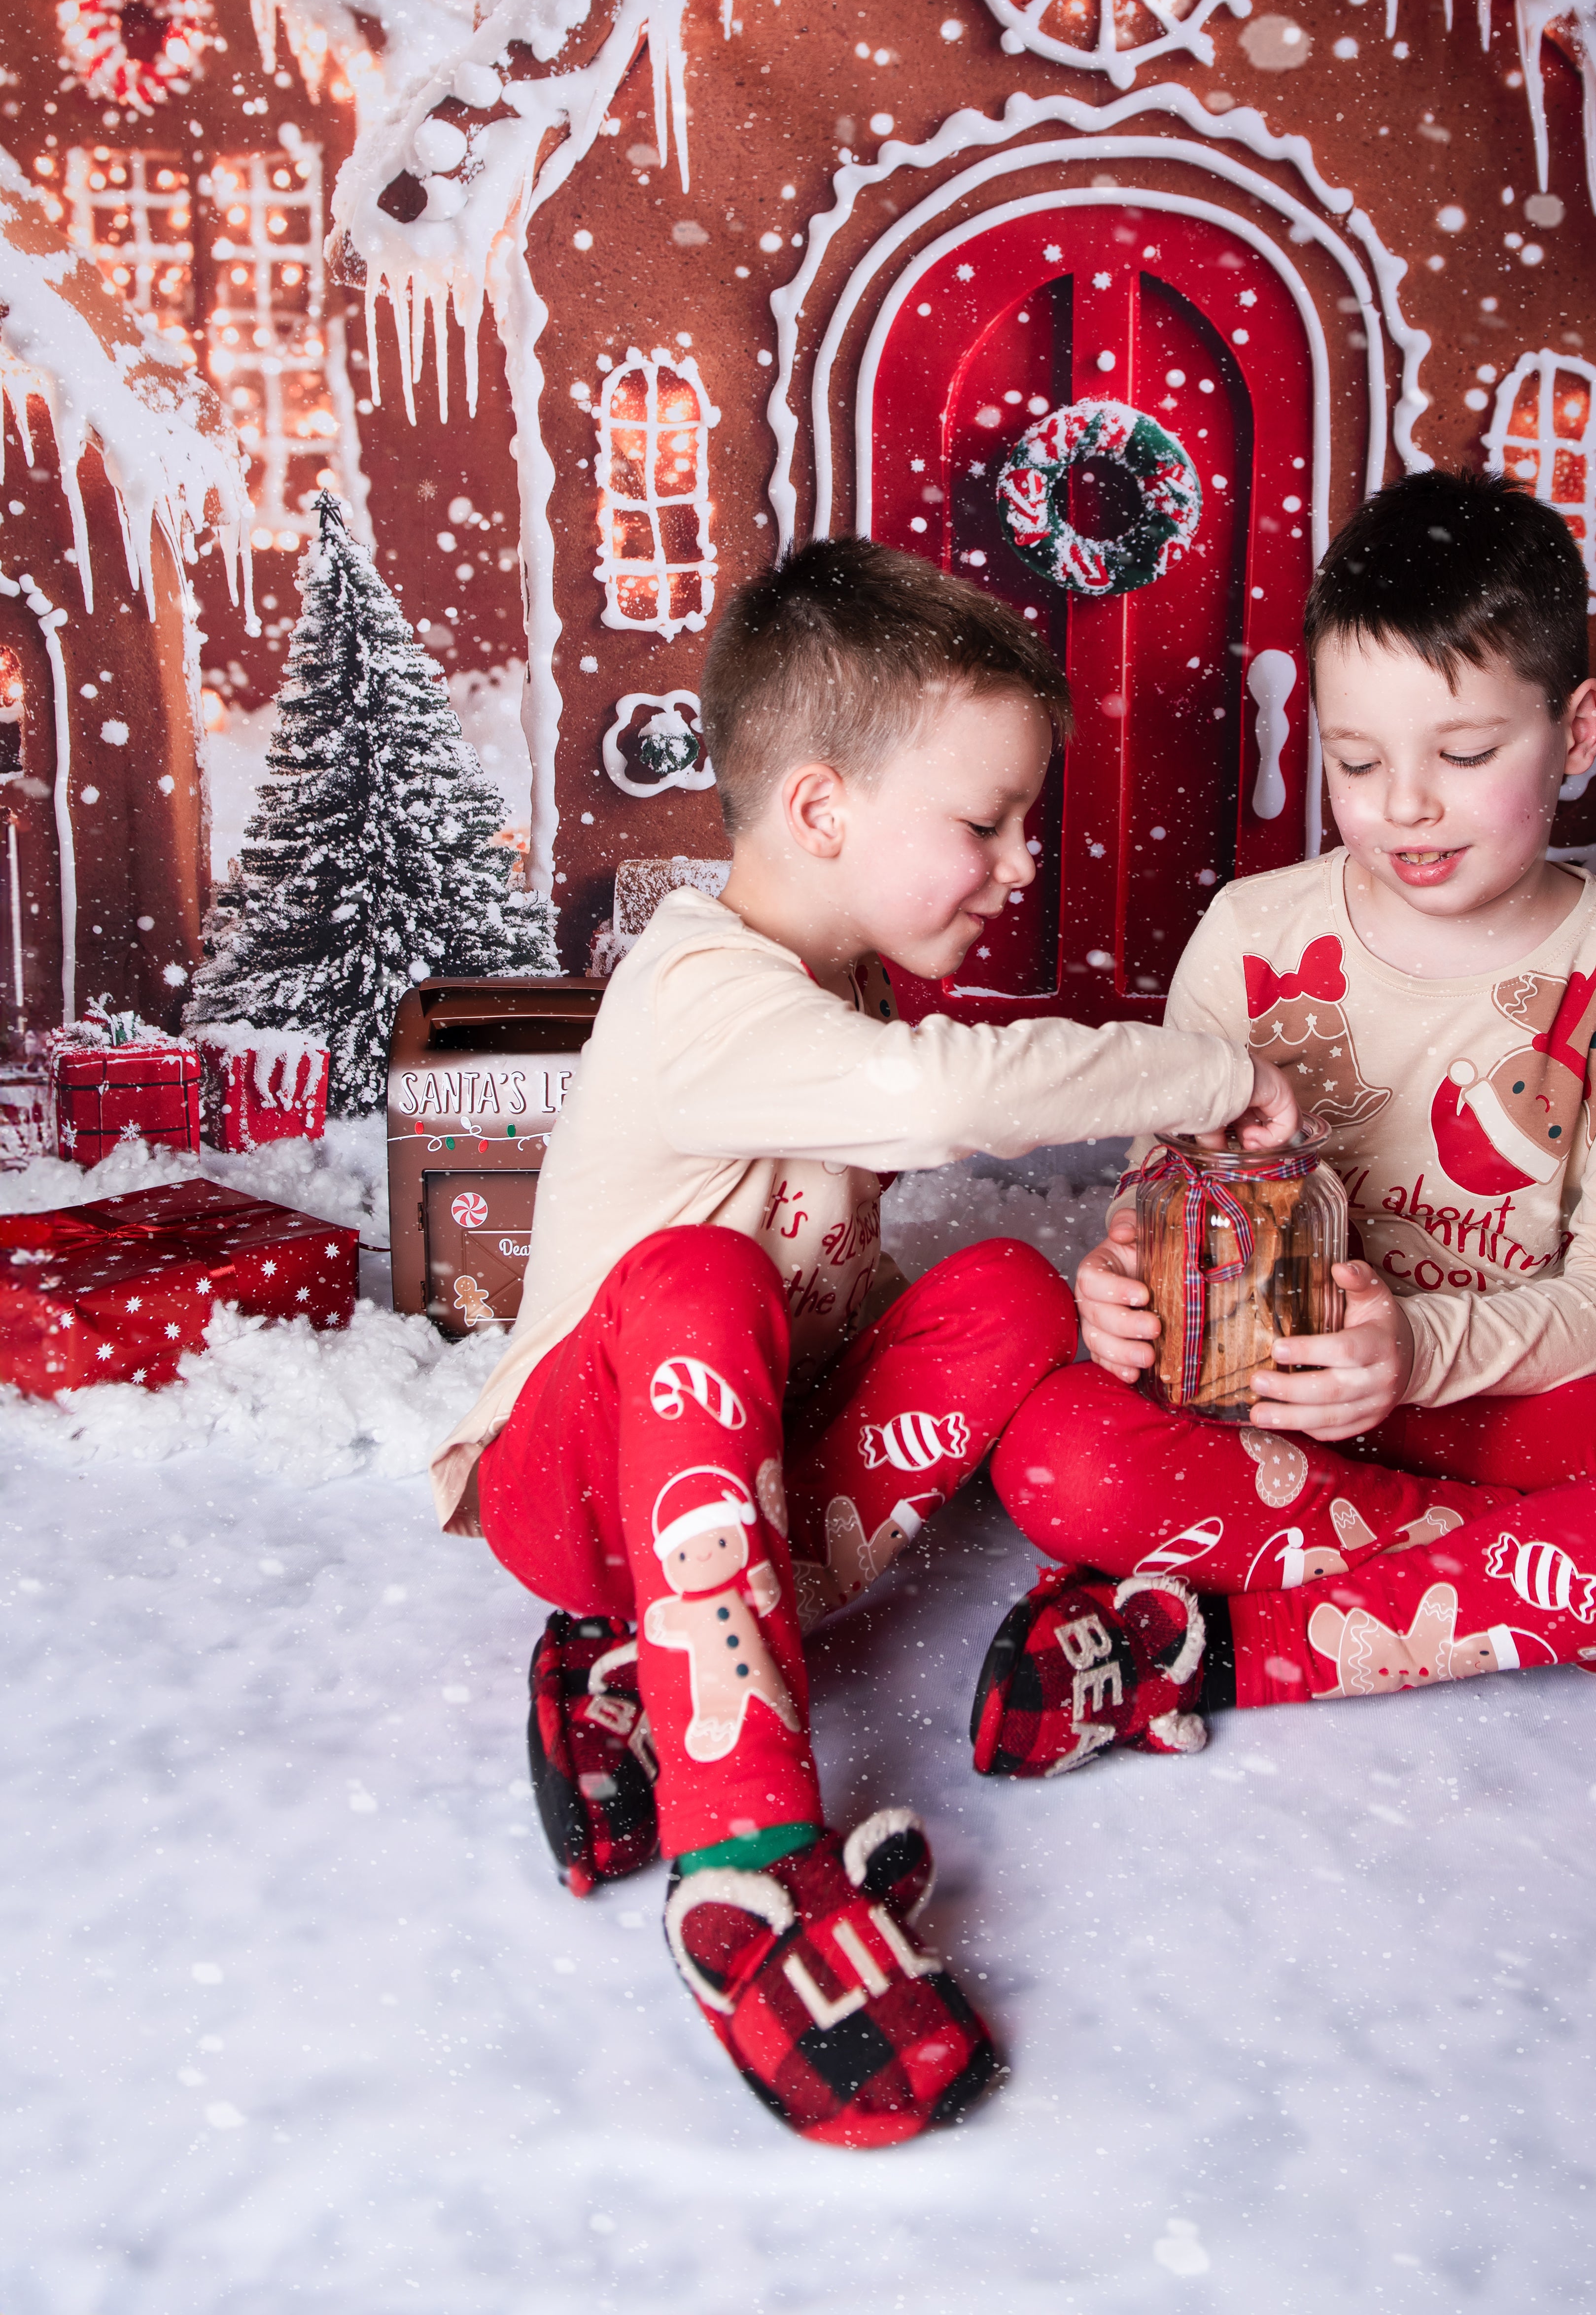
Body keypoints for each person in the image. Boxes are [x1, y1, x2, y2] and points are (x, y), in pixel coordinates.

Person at [434, 538, 1298, 2149]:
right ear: (823, 811)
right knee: (695, 1275)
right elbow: (956, 1106)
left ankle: (661, 1669)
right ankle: (747, 1867)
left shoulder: (846, 994)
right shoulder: (699, 984)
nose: (1023, 863)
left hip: (737, 1504)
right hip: (574, 1488)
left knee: (1006, 1293)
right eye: (984, 823)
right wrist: (1203, 1074)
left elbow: (875, 1214)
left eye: (1025, 822)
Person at [971, 471, 1596, 1781]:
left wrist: (1420, 1351)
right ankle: (1574, 1588)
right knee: (1058, 1457)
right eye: (1358, 759)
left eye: (1466, 754)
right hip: (1260, 1407)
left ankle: (1217, 1645)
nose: (1407, 806)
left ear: (1578, 731)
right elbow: (1167, 1201)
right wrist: (1127, 1291)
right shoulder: (1254, 937)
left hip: (1497, 1406)